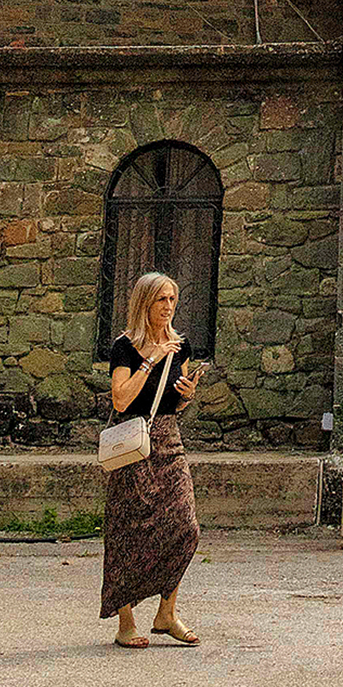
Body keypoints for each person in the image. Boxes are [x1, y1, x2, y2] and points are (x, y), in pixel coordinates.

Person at [100, 271, 205, 648]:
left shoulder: (182, 346)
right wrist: (150, 360)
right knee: (129, 531)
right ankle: (125, 621)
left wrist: (187, 393)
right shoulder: (125, 347)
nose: (169, 306)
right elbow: (121, 400)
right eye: (162, 299)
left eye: (173, 299)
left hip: (167, 438)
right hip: (131, 439)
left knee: (185, 527)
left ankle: (166, 613)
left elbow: (175, 402)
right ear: (145, 302)